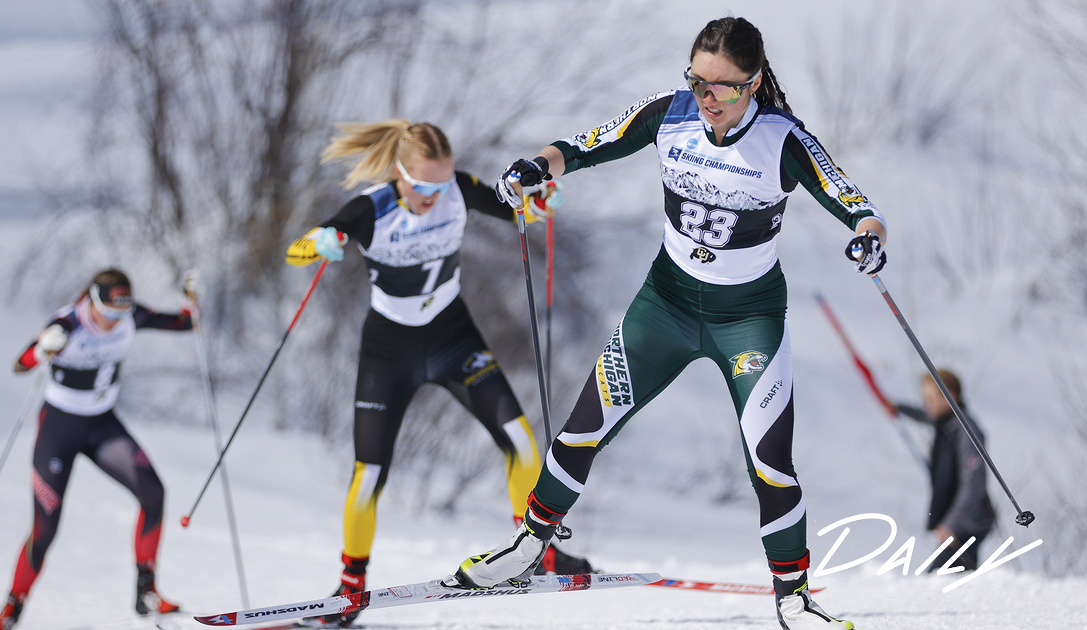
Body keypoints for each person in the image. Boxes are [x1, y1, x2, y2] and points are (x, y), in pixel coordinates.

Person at [446, 16, 890, 630]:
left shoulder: (782, 140)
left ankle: (793, 594)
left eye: (723, 88)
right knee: (582, 429)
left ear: (754, 83)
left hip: (747, 319)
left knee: (769, 463)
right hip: (667, 307)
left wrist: (869, 239)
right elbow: (582, 146)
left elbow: (854, 204)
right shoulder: (671, 113)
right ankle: (529, 548)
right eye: (697, 82)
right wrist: (535, 168)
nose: (707, 99)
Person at [285, 119, 591, 627]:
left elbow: (518, 209)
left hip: (453, 337)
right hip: (390, 350)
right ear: (400, 174)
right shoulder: (371, 208)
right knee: (368, 478)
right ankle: (349, 591)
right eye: (423, 187)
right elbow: (301, 249)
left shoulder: (456, 189)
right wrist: (319, 243)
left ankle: (533, 553)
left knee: (520, 441)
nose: (434, 196)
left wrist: (540, 206)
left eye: (441, 184)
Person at [0, 269, 194, 630]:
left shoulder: (130, 315)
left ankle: (146, 592)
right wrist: (41, 348)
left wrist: (191, 299)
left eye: (120, 313)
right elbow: (21, 364)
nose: (114, 321)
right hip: (59, 430)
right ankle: (11, 610)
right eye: (108, 312)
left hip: (101, 426)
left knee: (154, 493)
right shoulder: (68, 323)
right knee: (46, 527)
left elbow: (184, 324)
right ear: (91, 301)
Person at [894, 369, 995, 571]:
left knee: (942, 581)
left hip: (969, 521)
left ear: (950, 396)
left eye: (931, 398)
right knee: (954, 581)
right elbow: (924, 416)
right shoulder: (946, 423)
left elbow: (972, 483)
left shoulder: (966, 431)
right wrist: (897, 408)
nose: (926, 404)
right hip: (960, 520)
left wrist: (952, 524)